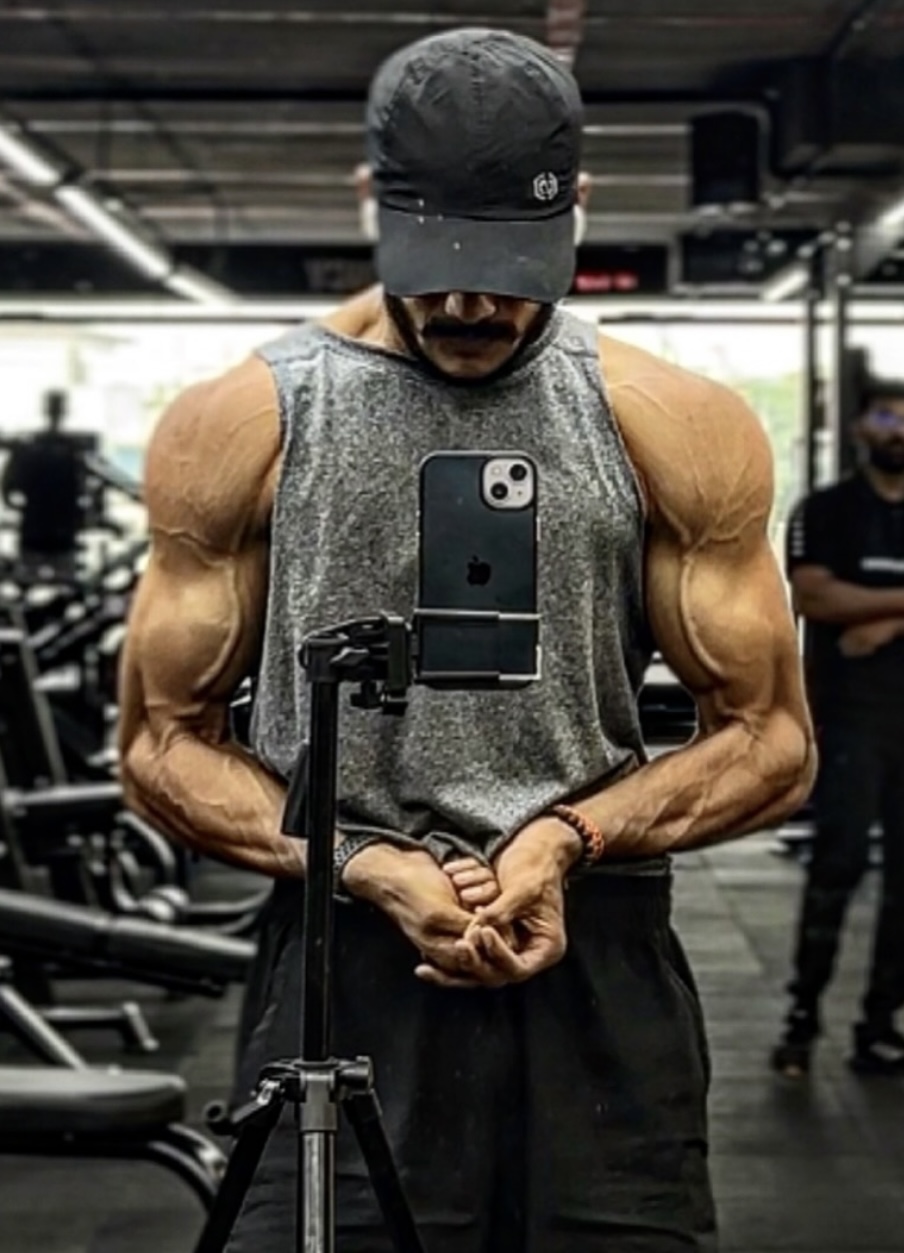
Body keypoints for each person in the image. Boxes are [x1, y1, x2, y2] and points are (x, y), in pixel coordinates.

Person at [119, 27, 814, 1253]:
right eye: (433, 260)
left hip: (598, 947)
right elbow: (161, 742)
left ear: (575, 209)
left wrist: (566, 837)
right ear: (370, 206)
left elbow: (770, 740)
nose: (466, 302)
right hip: (345, 948)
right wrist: (366, 863)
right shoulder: (243, 422)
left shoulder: (674, 423)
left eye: (504, 264)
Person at [772, 380, 904, 1079]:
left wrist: (881, 620)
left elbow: (847, 604)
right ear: (860, 428)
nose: (897, 430)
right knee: (838, 866)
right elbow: (814, 595)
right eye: (886, 416)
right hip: (853, 719)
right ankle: (802, 1021)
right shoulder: (826, 511)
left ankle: (880, 1026)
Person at [1, 389, 85, 580]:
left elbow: (8, 487)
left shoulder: (29, 446)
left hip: (35, 530)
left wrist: (15, 503)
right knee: (66, 586)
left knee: (28, 583)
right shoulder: (71, 450)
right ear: (64, 411)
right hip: (62, 531)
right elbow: (82, 488)